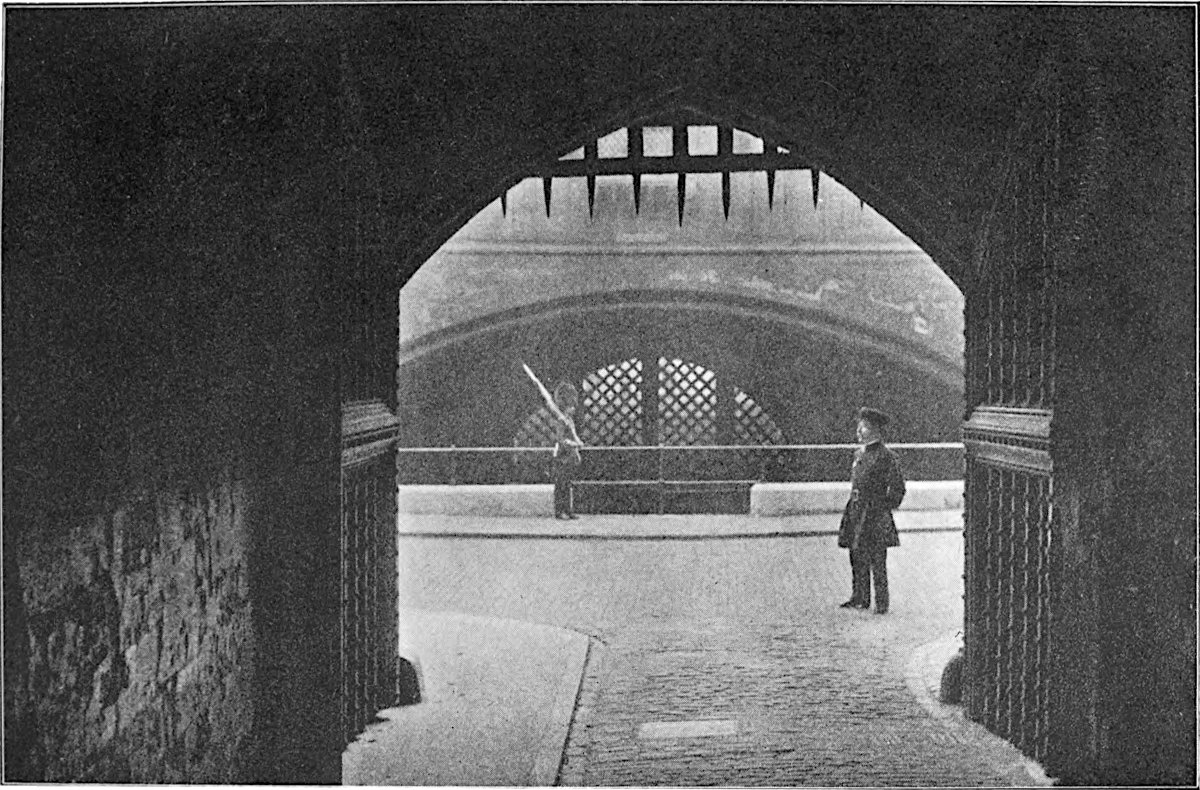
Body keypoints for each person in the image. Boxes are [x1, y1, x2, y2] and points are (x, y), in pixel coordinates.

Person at [838, 407, 906, 614]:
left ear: (876, 429)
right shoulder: (859, 453)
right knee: (856, 554)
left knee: (877, 558)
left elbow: (898, 488)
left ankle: (881, 602)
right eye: (859, 427)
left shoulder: (887, 456)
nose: (859, 431)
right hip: (856, 510)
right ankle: (860, 597)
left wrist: (883, 507)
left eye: (864, 427)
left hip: (874, 514)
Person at [550, 381, 583, 519]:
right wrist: (575, 444)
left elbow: (573, 435)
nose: (573, 409)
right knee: (561, 484)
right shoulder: (561, 421)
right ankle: (560, 511)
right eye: (571, 406)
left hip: (569, 456)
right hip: (562, 456)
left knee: (568, 484)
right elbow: (561, 440)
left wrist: (577, 442)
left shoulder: (569, 421)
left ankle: (568, 510)